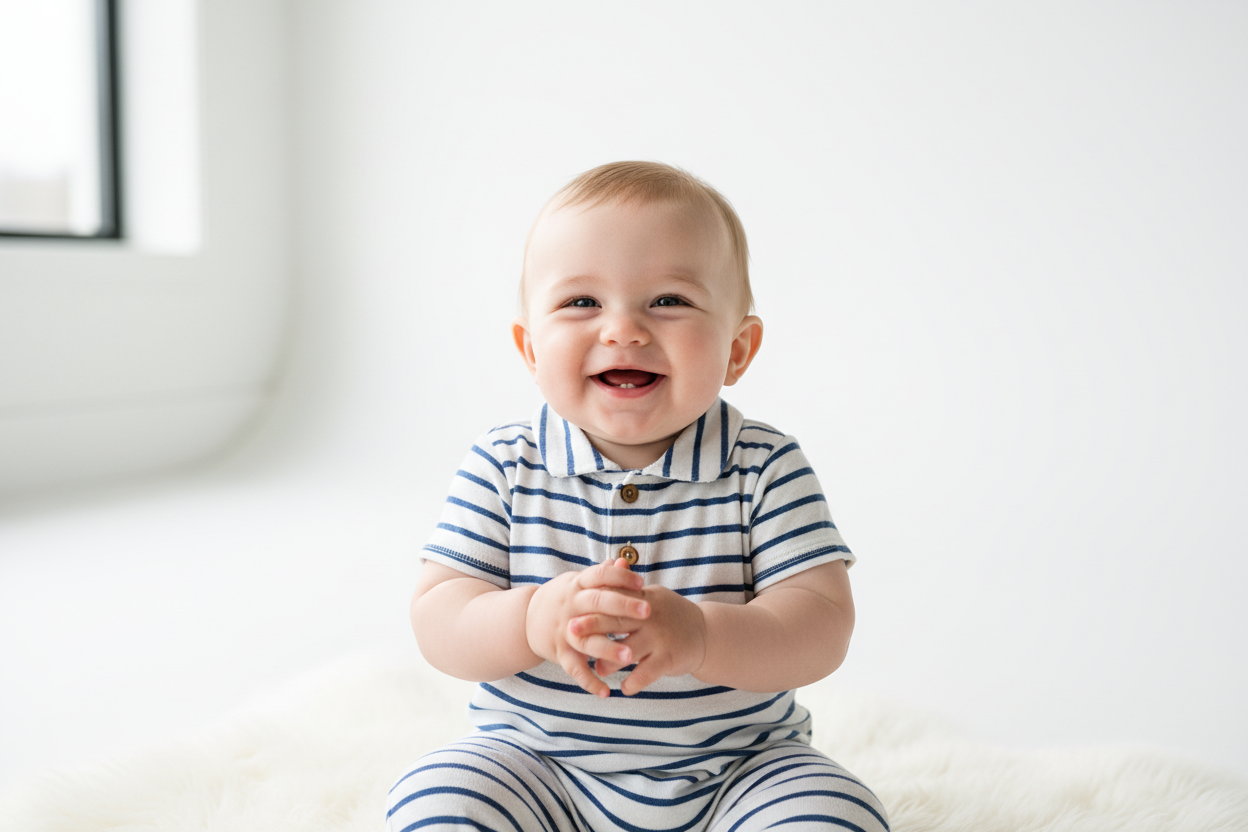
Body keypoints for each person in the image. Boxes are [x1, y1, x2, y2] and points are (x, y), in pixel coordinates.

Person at [386, 161, 889, 832]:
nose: (623, 330)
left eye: (669, 301)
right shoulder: (504, 465)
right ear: (530, 348)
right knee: (437, 797)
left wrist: (702, 635)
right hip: (537, 766)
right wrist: (531, 617)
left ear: (738, 349)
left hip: (738, 768)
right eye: (582, 303)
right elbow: (440, 621)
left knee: (836, 812)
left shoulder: (764, 466)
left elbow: (820, 628)